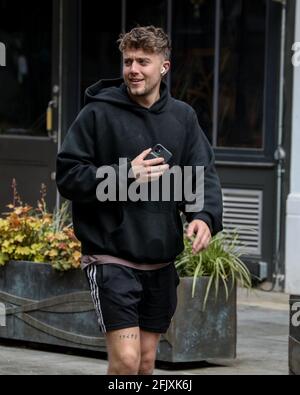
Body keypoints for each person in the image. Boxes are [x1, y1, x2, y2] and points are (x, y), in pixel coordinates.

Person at [56, 26, 223, 375]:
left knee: (146, 362)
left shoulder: (183, 118)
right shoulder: (97, 114)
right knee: (126, 360)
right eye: (128, 60)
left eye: (143, 62)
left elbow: (201, 173)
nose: (133, 68)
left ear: (164, 67)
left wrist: (203, 216)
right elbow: (69, 176)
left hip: (159, 261)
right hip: (111, 255)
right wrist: (125, 174)